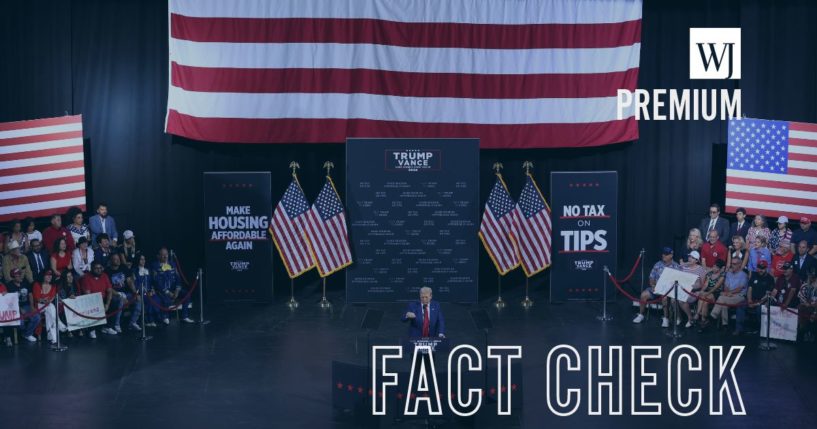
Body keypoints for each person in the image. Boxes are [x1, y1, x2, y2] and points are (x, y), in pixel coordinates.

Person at [633, 247, 680, 325]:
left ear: (671, 255)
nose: (663, 255)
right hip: (656, 287)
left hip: (669, 290)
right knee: (643, 295)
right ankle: (641, 315)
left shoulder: (676, 266)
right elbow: (651, 277)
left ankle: (666, 318)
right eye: (663, 254)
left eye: (666, 254)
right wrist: (653, 285)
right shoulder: (658, 264)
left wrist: (668, 289)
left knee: (664, 297)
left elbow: (678, 281)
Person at [151, 248, 194, 324]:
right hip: (162, 290)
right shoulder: (155, 265)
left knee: (187, 294)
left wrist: (177, 291)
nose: (165, 256)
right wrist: (168, 292)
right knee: (165, 298)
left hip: (174, 289)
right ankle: (165, 317)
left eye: (166, 254)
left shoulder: (172, 264)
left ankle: (185, 316)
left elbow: (178, 278)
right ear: (158, 256)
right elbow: (157, 282)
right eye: (163, 255)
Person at [709, 258, 748, 334]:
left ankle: (713, 316)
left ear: (739, 265)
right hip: (728, 295)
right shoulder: (729, 274)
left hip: (739, 296)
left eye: (734, 264)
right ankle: (725, 325)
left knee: (721, 299)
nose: (732, 265)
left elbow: (740, 288)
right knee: (723, 303)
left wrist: (730, 293)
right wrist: (727, 293)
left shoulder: (743, 275)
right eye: (731, 264)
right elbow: (726, 286)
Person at [80, 261, 117, 337]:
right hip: (91, 300)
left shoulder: (104, 276)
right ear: (92, 269)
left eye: (100, 268)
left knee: (114, 302)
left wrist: (107, 304)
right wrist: (100, 304)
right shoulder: (86, 277)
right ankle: (91, 329)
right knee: (90, 306)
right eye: (96, 268)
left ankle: (107, 327)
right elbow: (88, 294)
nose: (99, 270)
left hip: (103, 298)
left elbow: (109, 291)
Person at [2, 269, 40, 343]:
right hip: (15, 308)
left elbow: (30, 295)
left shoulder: (25, 283)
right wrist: (19, 309)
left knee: (37, 318)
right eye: (18, 275)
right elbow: (9, 300)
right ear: (13, 277)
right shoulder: (9, 285)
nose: (20, 277)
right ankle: (23, 333)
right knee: (20, 323)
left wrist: (32, 306)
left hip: (27, 305)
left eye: (20, 274)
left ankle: (27, 334)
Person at [106, 253, 141, 331]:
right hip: (115, 294)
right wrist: (120, 295)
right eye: (115, 259)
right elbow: (109, 288)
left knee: (138, 300)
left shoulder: (123, 267)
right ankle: (116, 324)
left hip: (126, 293)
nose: (118, 260)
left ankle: (133, 322)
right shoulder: (107, 271)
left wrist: (135, 293)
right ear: (111, 261)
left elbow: (129, 281)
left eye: (118, 259)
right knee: (120, 301)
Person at [674, 250, 707, 328]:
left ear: (696, 260)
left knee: (681, 300)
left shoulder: (700, 269)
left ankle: (690, 318)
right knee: (673, 299)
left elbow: (702, 284)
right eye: (689, 256)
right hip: (683, 289)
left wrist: (696, 288)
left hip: (694, 292)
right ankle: (679, 317)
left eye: (692, 257)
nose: (690, 258)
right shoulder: (684, 267)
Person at [743, 260, 776, 335]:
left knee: (759, 309)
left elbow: (768, 294)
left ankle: (759, 330)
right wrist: (749, 300)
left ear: (766, 268)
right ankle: (739, 329)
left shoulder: (770, 278)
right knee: (740, 306)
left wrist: (757, 303)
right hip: (752, 299)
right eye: (759, 268)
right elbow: (749, 289)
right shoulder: (754, 275)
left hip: (762, 301)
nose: (761, 270)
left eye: (763, 268)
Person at [33, 270, 63, 345]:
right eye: (47, 275)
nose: (49, 276)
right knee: (51, 308)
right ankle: (59, 325)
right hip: (38, 306)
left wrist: (47, 301)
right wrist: (43, 300)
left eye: (51, 275)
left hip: (47, 306)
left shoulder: (53, 286)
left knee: (50, 311)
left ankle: (52, 337)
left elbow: (51, 298)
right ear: (43, 276)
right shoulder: (37, 284)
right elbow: (37, 298)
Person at [695, 260, 725, 329]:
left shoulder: (722, 275)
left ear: (720, 269)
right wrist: (702, 291)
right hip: (707, 292)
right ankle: (703, 320)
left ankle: (697, 315)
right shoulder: (710, 274)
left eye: (716, 267)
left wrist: (706, 293)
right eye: (714, 266)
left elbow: (716, 287)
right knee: (705, 301)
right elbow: (706, 285)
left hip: (716, 293)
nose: (714, 268)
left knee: (704, 297)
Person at [133, 253, 157, 327]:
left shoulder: (148, 270)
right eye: (141, 259)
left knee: (156, 299)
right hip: (140, 293)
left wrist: (152, 290)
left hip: (149, 292)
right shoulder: (134, 271)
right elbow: (135, 284)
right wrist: (141, 293)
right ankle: (147, 320)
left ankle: (153, 319)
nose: (143, 261)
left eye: (144, 259)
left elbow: (151, 282)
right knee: (148, 301)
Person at [797, 270, 817, 342]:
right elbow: (801, 296)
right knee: (801, 308)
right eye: (809, 276)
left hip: (814, 308)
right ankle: (803, 333)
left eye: (813, 277)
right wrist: (806, 304)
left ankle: (813, 334)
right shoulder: (804, 285)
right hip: (806, 308)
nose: (811, 278)